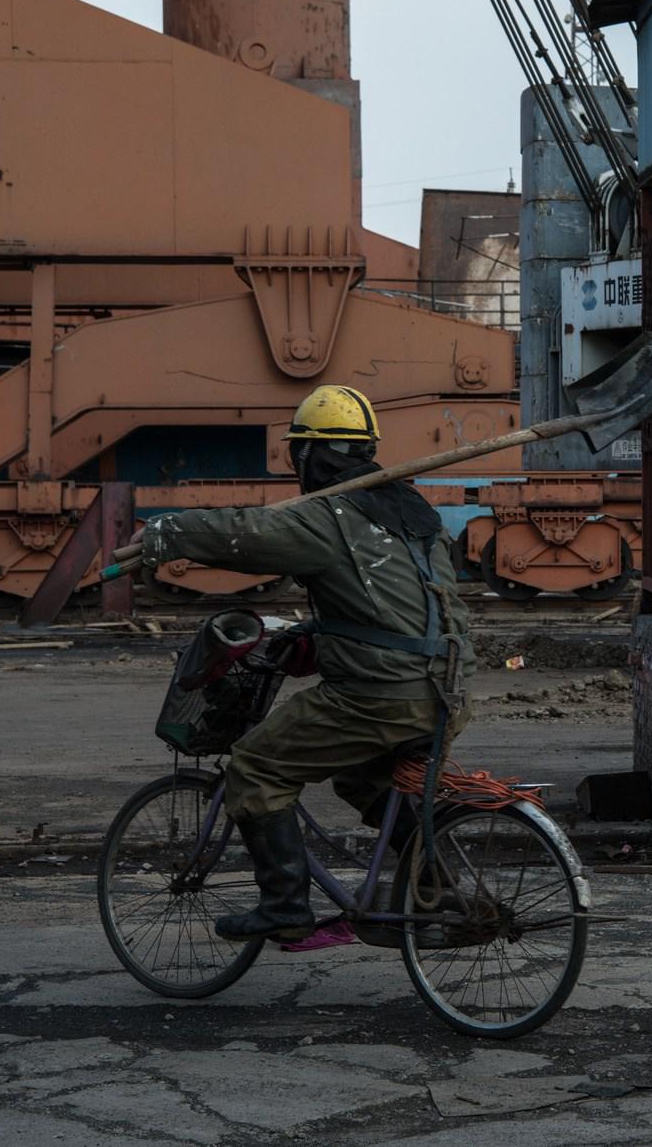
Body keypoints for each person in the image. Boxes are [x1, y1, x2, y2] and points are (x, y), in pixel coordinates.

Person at [137, 385, 473, 944]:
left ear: (307, 453)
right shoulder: (415, 512)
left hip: (380, 696)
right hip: (448, 689)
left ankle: (285, 906)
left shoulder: (331, 516)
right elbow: (395, 608)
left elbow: (245, 534)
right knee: (365, 779)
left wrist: (164, 533)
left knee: (255, 767)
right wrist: (316, 635)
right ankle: (440, 895)